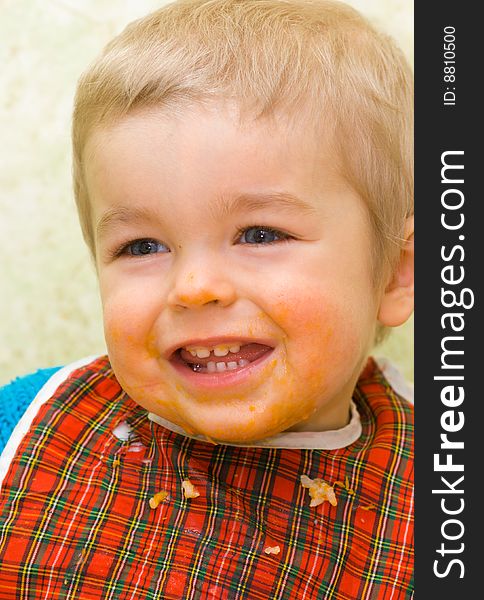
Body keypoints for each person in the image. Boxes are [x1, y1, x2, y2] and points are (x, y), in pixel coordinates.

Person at [0, 0, 414, 597]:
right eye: (143, 246)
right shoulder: (27, 430)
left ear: (398, 273)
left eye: (260, 235)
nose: (194, 287)